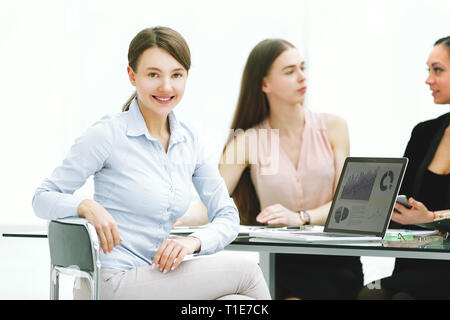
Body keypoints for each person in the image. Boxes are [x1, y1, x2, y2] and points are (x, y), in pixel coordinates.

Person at [32, 26, 271, 300]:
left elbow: (228, 216)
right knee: (248, 273)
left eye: (176, 75)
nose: (166, 86)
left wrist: (194, 242)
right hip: (110, 281)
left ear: (186, 78)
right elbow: (42, 198)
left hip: (155, 278)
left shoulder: (189, 141)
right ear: (132, 76)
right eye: (153, 74)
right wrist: (85, 206)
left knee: (235, 302)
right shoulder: (108, 134)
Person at [178, 38, 363, 299]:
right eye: (289, 72)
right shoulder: (246, 140)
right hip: (284, 261)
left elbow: (345, 204)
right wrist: (177, 217)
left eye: (302, 68)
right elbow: (211, 202)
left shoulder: (334, 127)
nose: (301, 77)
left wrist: (301, 218)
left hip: (335, 259)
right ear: (264, 84)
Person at [359, 36, 450, 300]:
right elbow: (402, 199)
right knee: (370, 294)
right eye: (428, 70)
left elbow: (424, 215)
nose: (428, 80)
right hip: (418, 258)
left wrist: (430, 216)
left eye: (438, 70)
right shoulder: (424, 133)